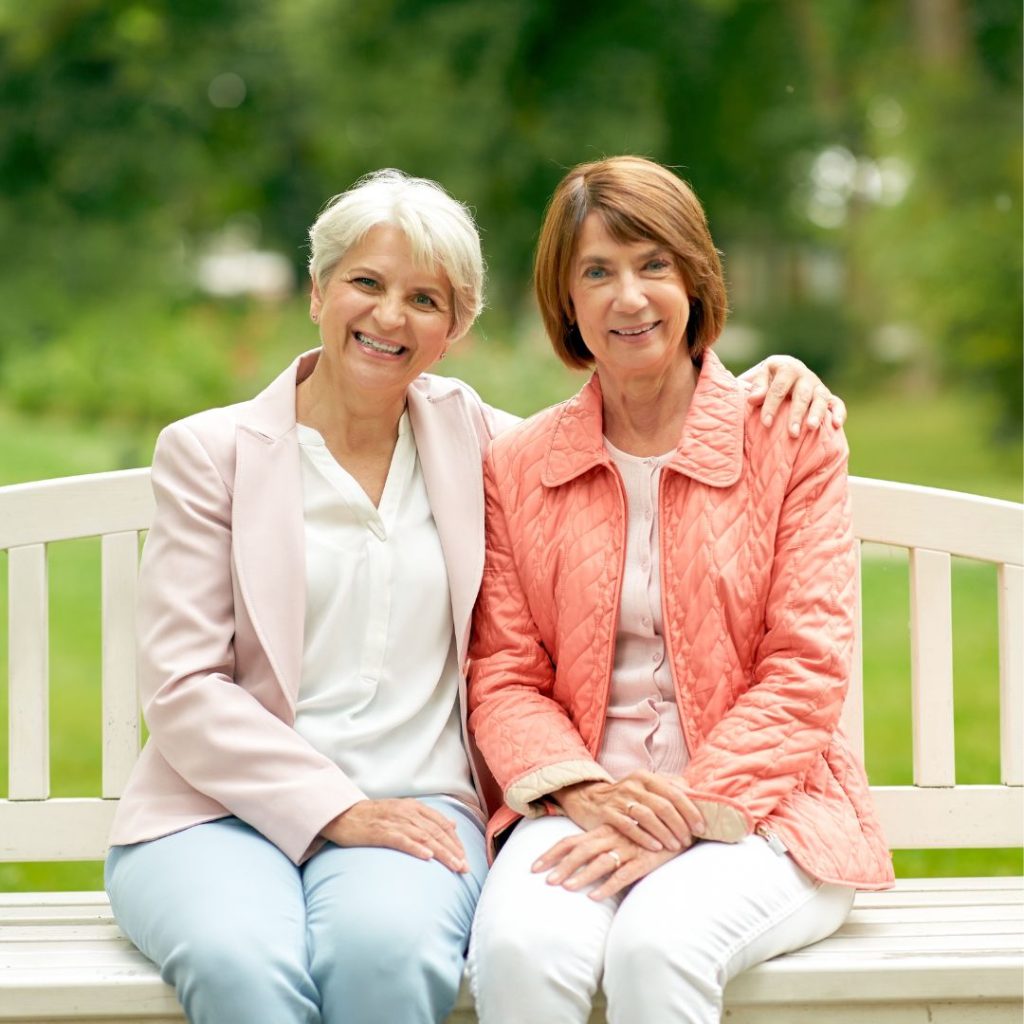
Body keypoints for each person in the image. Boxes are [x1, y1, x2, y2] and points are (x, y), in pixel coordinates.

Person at [104, 167, 846, 1024]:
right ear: (317, 291)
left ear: (454, 327)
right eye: (366, 284)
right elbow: (187, 688)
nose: (390, 317)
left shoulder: (481, 443)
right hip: (219, 807)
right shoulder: (215, 454)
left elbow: (672, 410)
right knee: (243, 965)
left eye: (425, 298)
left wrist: (778, 374)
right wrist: (340, 810)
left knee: (385, 957)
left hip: (421, 807)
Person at [466, 156, 895, 1024]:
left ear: (694, 280)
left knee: (658, 947)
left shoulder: (788, 435)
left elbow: (806, 666)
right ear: (566, 302)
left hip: (766, 808)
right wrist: (591, 796)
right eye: (598, 271)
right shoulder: (519, 464)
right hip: (584, 799)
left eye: (653, 264)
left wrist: (693, 810)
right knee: (515, 950)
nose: (629, 297)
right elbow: (505, 675)